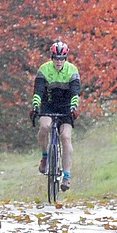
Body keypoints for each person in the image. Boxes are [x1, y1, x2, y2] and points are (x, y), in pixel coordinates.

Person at [29, 41, 81, 191]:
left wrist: (73, 108)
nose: (58, 61)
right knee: (44, 126)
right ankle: (45, 157)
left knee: (65, 137)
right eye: (56, 58)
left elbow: (75, 93)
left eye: (61, 58)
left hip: (66, 107)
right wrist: (35, 106)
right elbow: (38, 91)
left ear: (65, 58)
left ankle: (66, 176)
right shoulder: (44, 70)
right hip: (48, 104)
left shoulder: (72, 71)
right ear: (52, 57)